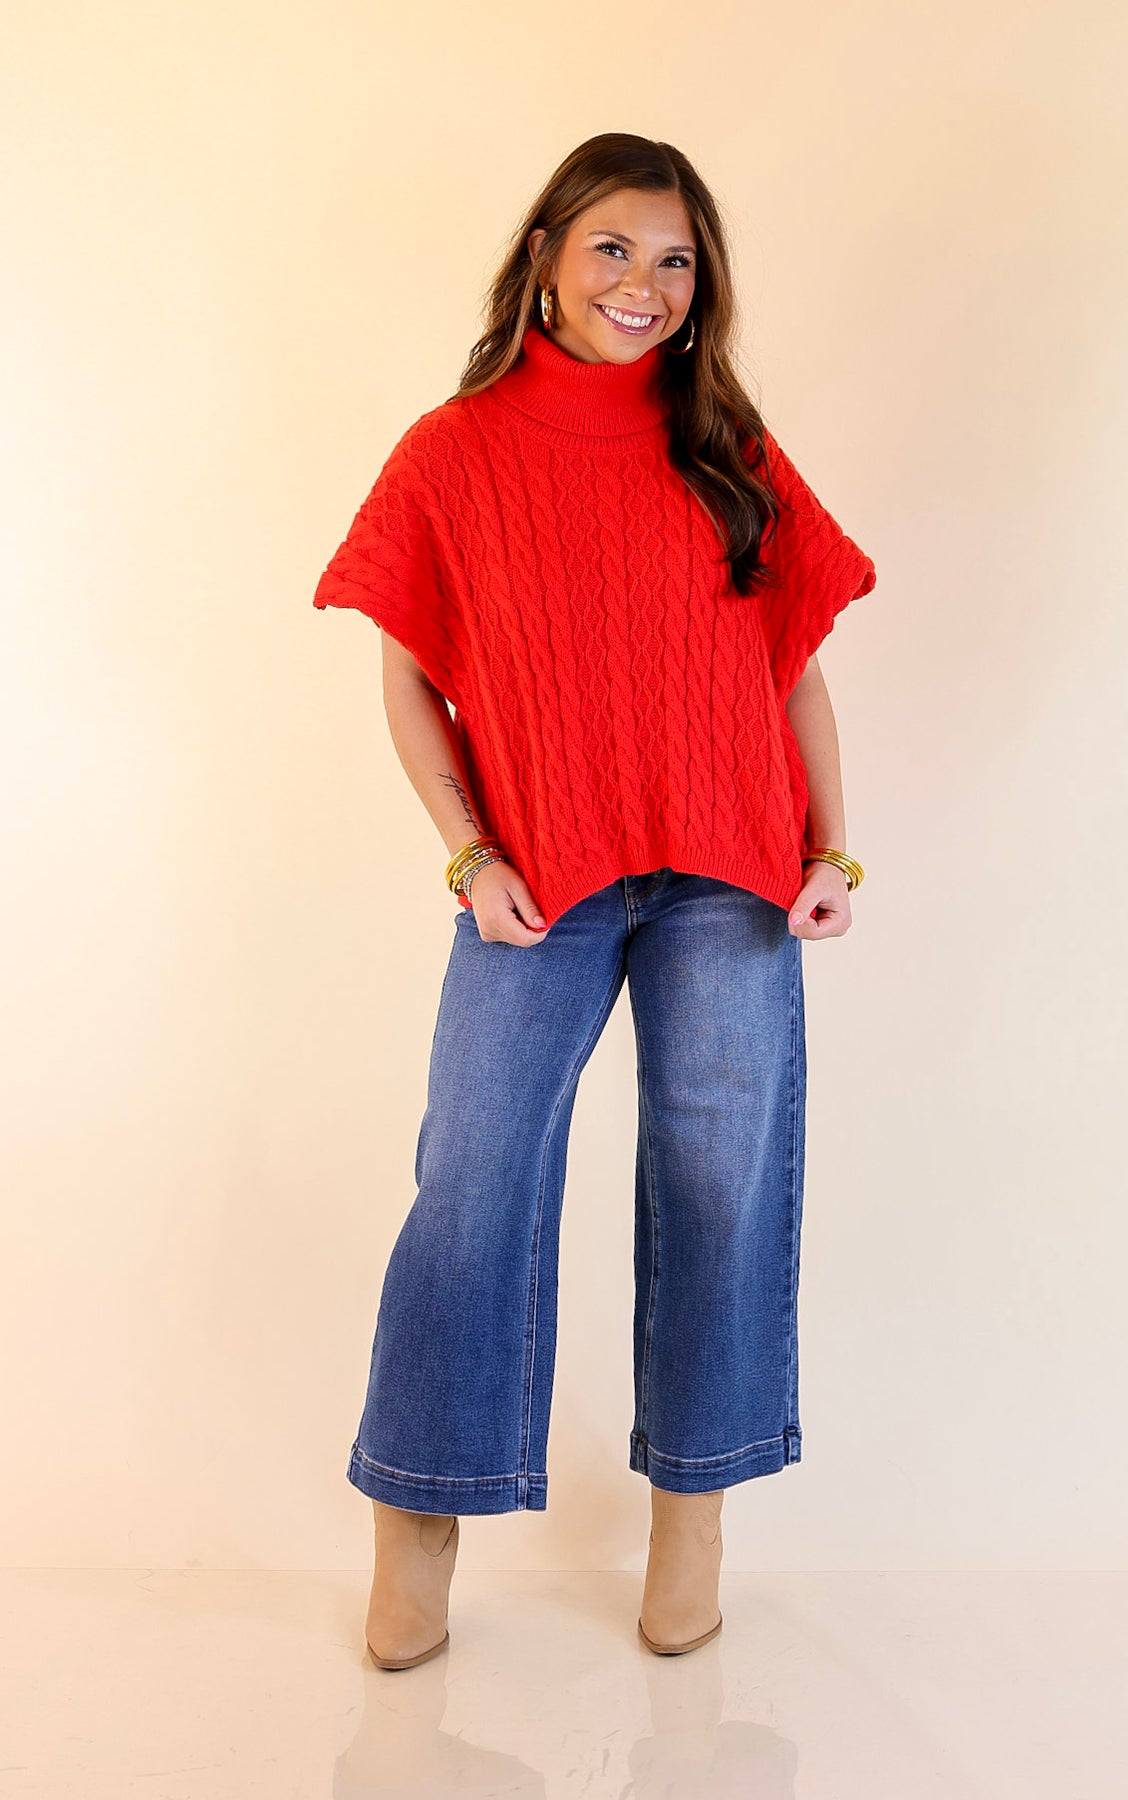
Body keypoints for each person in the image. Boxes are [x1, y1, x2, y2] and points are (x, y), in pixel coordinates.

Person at [313, 132, 878, 1669]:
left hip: (731, 875)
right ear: (547, 258)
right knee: (473, 1178)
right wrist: (470, 853)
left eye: (675, 259)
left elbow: (791, 666)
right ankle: (420, 1519)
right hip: (539, 879)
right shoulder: (454, 453)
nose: (645, 283)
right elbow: (411, 684)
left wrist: (833, 852)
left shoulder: (725, 444)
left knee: (722, 1185)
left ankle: (695, 1513)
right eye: (614, 248)